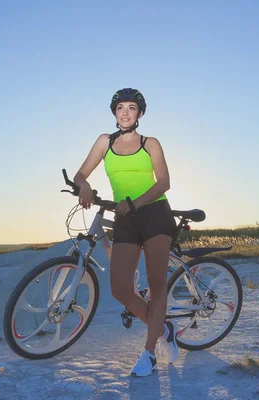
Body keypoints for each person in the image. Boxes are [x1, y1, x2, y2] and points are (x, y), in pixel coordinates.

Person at [73, 88, 179, 377]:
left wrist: (134, 203)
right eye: (120, 107)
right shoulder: (104, 142)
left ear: (140, 114)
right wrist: (83, 185)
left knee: (157, 284)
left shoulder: (150, 143)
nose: (125, 112)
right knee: (120, 288)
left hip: (154, 214)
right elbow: (81, 174)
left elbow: (164, 183)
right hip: (126, 218)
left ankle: (149, 353)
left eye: (131, 107)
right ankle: (163, 329)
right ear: (114, 112)